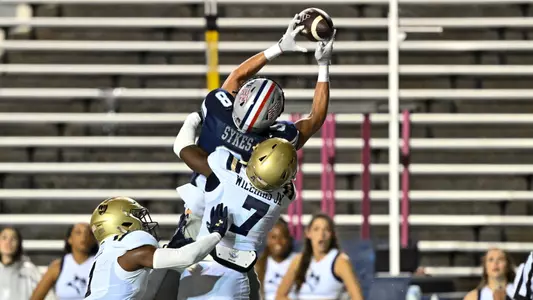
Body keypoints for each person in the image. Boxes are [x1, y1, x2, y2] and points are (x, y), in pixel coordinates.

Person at [176, 137, 298, 300]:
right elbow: (287, 186)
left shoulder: (224, 167)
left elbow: (183, 148)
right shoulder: (284, 197)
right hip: (236, 274)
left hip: (200, 263)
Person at [84, 196, 229, 300]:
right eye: (137, 216)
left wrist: (171, 248)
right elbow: (186, 257)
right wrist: (216, 234)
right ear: (123, 222)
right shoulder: (134, 254)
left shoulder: (109, 254)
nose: (143, 221)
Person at [276, 213, 364, 300]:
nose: (321, 234)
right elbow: (280, 296)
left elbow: (358, 297)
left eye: (326, 230)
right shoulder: (298, 260)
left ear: (332, 234)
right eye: (316, 229)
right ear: (308, 233)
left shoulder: (340, 261)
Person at [31, 222, 98, 300]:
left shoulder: (102, 265)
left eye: (89, 233)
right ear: (69, 239)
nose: (84, 236)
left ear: (94, 239)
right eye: (78, 232)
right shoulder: (58, 266)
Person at [0, 226, 53, 300]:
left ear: (18, 244)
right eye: (4, 238)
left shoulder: (29, 270)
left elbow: (48, 295)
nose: (8, 242)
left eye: (13, 239)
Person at [255, 218, 297, 300]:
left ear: (289, 239)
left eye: (283, 237)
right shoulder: (258, 265)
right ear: (267, 239)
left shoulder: (298, 261)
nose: (278, 242)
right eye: (273, 237)